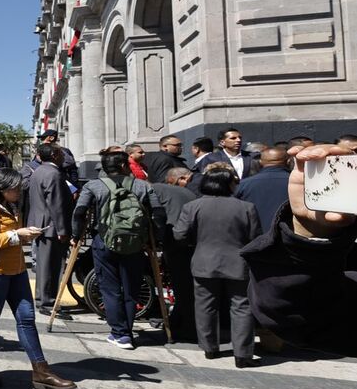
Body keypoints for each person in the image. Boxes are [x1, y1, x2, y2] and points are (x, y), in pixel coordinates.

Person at [244, 143, 357, 356]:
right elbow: (313, 316)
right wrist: (309, 235)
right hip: (287, 251)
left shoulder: (247, 184)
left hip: (270, 251)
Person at [0, 168, 76, 389]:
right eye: (15, 188)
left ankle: (41, 371)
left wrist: (25, 234)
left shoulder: (9, 204)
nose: (19, 191)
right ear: (1, 189)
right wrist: (18, 235)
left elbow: (9, 235)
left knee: (26, 318)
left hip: (16, 270)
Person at [71, 151, 164, 350]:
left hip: (104, 241)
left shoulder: (93, 186)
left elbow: (79, 212)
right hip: (135, 243)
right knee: (131, 289)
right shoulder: (143, 186)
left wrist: (76, 236)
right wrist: (154, 239)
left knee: (109, 288)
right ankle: (126, 332)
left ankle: (120, 333)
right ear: (123, 165)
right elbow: (158, 213)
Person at [174, 169, 262, 366]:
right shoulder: (246, 207)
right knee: (242, 307)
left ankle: (209, 348)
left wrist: (195, 242)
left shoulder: (192, 206)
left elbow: (180, 234)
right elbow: (255, 237)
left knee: (205, 305)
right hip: (238, 262)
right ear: (228, 184)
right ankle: (243, 354)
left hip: (204, 261)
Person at [150, 167, 199, 341]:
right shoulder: (186, 193)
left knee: (181, 285)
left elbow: (157, 215)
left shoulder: (154, 189)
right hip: (190, 240)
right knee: (185, 285)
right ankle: (179, 320)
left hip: (176, 240)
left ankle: (184, 326)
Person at [26, 145, 75, 321]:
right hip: (51, 226)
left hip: (42, 223)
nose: (64, 157)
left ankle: (44, 299)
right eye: (61, 154)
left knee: (44, 265)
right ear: (54, 155)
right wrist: (62, 229)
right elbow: (56, 203)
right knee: (51, 267)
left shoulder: (39, 171)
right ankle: (48, 302)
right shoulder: (53, 173)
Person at [235, 147, 291, 233]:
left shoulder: (244, 184)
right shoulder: (299, 183)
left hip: (255, 236)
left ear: (260, 162)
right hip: (290, 235)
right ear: (288, 161)